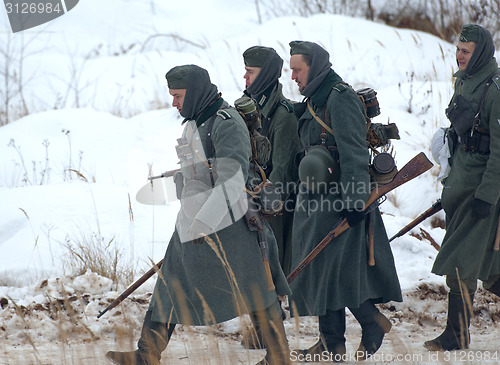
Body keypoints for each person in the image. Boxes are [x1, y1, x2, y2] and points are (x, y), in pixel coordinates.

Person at [106, 64, 291, 365]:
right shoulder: (194, 122)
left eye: (178, 96)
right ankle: (146, 354)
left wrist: (204, 220)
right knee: (170, 283)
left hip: (234, 225)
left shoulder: (226, 122)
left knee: (258, 288)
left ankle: (279, 357)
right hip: (195, 221)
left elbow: (232, 180)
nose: (174, 103)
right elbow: (201, 173)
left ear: (193, 92)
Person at [287, 40, 402, 361]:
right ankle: (331, 342)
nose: (293, 76)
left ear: (315, 66)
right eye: (291, 69)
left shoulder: (340, 97)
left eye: (297, 69)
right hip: (315, 200)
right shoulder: (313, 99)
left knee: (334, 269)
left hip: (340, 200)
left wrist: (354, 202)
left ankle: (371, 322)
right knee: (323, 267)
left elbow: (353, 152)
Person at [425, 24, 500, 352]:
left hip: (480, 191)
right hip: (459, 184)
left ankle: (456, 334)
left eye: (465, 51)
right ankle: (457, 333)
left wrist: (487, 195)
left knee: (461, 260)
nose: (458, 55)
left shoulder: (495, 90)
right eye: (457, 49)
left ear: (480, 52)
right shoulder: (463, 82)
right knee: (488, 267)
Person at [238, 45, 301, 350]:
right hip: (248, 197)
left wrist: (263, 200)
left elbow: (284, 168)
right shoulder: (245, 106)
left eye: (250, 72)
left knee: (268, 269)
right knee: (252, 266)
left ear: (264, 74)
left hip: (271, 204)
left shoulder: (282, 114)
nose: (245, 77)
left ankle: (270, 335)